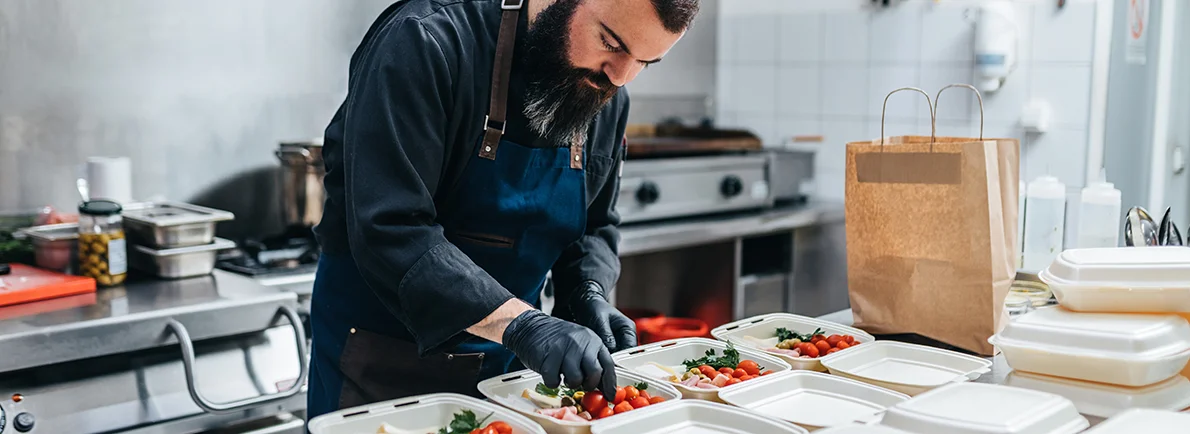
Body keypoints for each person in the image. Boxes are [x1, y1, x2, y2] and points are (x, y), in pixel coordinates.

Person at [306, 0, 699, 419]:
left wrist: (587, 289)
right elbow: (391, 226)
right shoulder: (426, 40)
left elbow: (594, 223)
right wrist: (524, 325)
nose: (620, 77)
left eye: (646, 62)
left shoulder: (605, 92)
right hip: (383, 363)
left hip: (511, 376)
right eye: (610, 43)